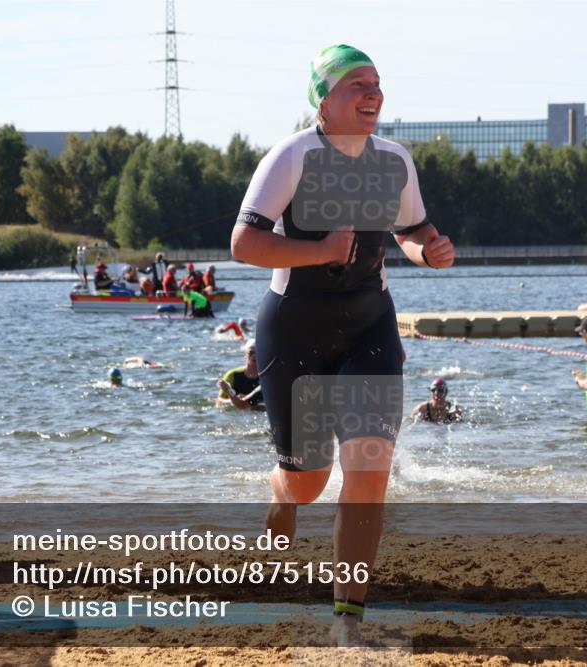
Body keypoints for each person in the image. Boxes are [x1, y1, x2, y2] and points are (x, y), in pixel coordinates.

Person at [230, 44, 455, 646]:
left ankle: (347, 620)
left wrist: (426, 250)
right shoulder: (292, 156)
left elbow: (412, 228)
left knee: (369, 467)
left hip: (368, 328)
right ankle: (282, 488)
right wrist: (322, 251)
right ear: (323, 99)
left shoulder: (394, 161)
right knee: (309, 477)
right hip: (295, 327)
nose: (372, 93)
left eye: (377, 83)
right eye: (357, 83)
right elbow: (245, 244)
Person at [216, 339, 263, 409]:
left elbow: (244, 406)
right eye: (251, 352)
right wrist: (232, 400)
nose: (254, 356)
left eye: (258, 352)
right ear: (245, 354)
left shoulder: (266, 376)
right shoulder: (233, 375)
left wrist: (231, 394)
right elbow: (218, 402)